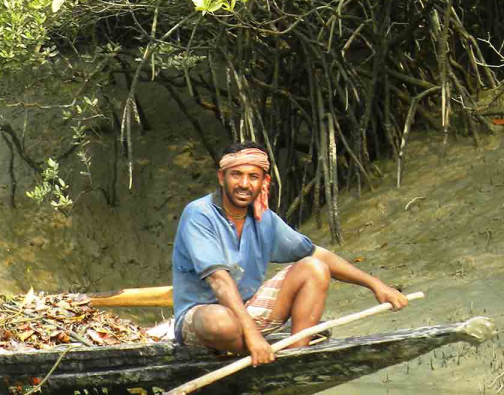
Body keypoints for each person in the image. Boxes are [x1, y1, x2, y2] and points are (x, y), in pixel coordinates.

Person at [172, 141, 409, 366]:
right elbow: (219, 281)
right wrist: (254, 337)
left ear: (264, 182)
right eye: (236, 174)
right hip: (203, 322)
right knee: (220, 322)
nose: (244, 184)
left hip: (247, 312)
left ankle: (295, 355)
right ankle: (262, 354)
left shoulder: (264, 218)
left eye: (253, 177)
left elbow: (318, 255)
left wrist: (376, 285)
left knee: (314, 268)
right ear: (222, 177)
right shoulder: (199, 214)